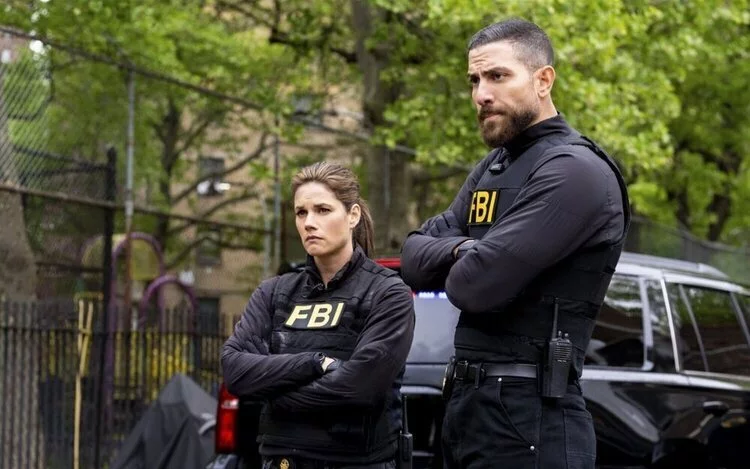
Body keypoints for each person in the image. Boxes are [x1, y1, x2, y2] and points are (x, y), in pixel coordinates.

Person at [400, 18, 630, 469]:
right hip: (466, 409)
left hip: (531, 417)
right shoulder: (494, 167)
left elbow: (473, 287)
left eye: (497, 76)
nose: (481, 94)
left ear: (543, 80)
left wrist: (463, 256)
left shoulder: (576, 172)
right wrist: (464, 250)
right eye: (474, 80)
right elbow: (413, 258)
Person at [222, 162, 415, 469]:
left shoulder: (387, 292)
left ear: (352, 215)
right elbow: (235, 370)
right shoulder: (273, 293)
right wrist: (314, 363)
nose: (309, 223)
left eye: (323, 210)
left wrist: (273, 393)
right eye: (301, 213)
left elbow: (360, 388)